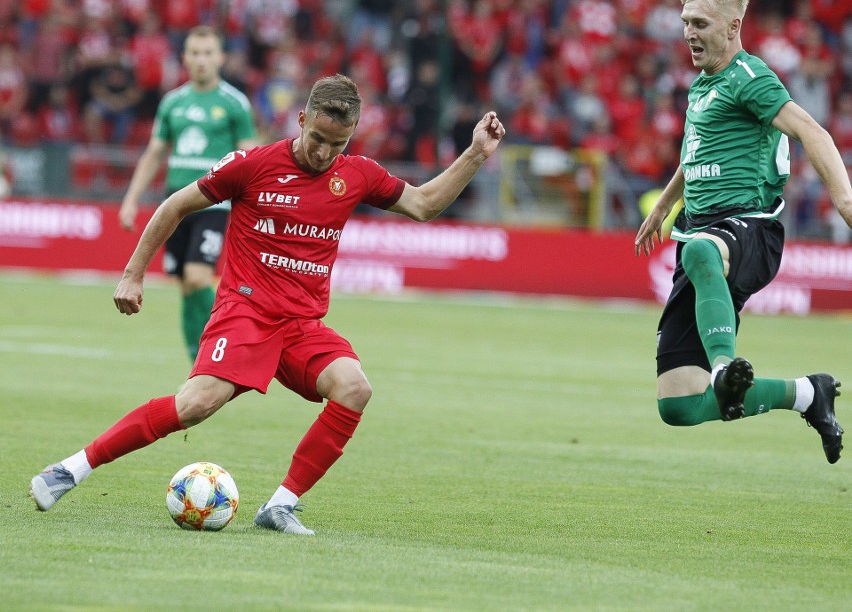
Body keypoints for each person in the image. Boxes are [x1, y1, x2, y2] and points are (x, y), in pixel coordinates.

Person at [30, 74, 507, 534]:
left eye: (336, 144)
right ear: (301, 119)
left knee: (354, 388)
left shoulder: (358, 175)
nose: (323, 152)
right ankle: (71, 469)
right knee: (196, 405)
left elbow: (424, 205)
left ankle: (281, 506)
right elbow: (175, 204)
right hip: (246, 312)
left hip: (300, 325)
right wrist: (133, 275)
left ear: (352, 137)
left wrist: (474, 154)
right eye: (317, 137)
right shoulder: (253, 165)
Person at [634, 0, 851, 463]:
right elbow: (695, 155)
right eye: (686, 21)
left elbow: (813, 132)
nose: (690, 32)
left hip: (750, 228)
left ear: (733, 27)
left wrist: (844, 202)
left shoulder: (749, 77)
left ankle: (724, 366)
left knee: (705, 251)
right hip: (702, 238)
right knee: (679, 403)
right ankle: (807, 394)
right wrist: (667, 203)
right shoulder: (701, 87)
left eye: (701, 23)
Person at [119, 25, 257, 360]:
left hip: (215, 203)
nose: (201, 60)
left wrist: (255, 204)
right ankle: (199, 358)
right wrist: (131, 200)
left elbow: (251, 157)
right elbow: (155, 153)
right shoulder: (173, 102)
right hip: (175, 204)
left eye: (208, 53)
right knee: (185, 285)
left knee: (198, 278)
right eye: (195, 53)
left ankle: (234, 338)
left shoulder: (234, 104)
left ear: (221, 58)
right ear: (185, 58)